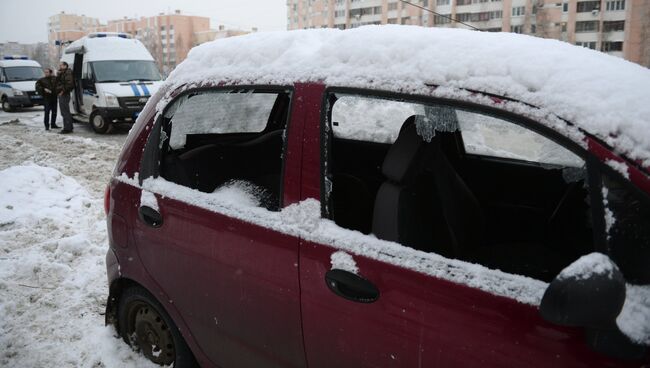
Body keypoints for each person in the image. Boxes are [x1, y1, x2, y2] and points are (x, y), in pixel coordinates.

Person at [56, 61, 74, 134]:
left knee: (65, 112)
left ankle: (67, 128)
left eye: (61, 65)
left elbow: (69, 84)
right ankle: (69, 127)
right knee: (65, 111)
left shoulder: (68, 73)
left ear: (65, 66)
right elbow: (57, 81)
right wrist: (58, 74)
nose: (60, 67)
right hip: (62, 93)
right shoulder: (62, 73)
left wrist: (62, 91)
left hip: (64, 94)